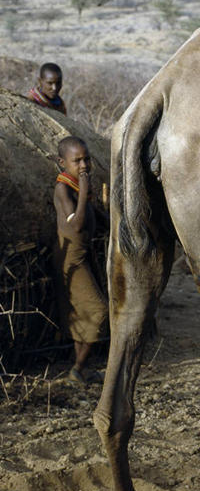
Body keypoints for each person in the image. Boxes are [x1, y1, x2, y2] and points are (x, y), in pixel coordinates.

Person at [53, 136, 107, 384]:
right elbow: (75, 225)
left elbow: (98, 219)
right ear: (63, 163)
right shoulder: (64, 188)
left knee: (85, 313)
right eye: (77, 161)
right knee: (99, 310)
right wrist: (84, 193)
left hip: (84, 256)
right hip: (71, 261)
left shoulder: (77, 186)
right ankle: (78, 368)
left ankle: (83, 370)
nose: (84, 165)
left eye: (86, 159)